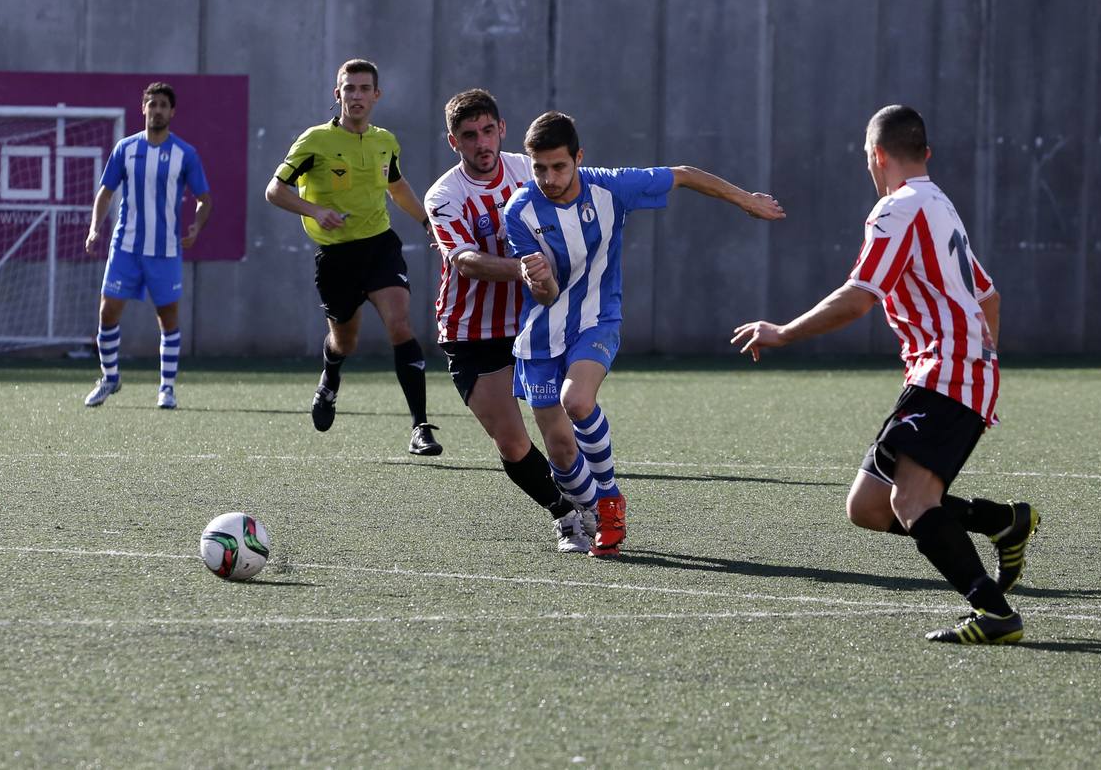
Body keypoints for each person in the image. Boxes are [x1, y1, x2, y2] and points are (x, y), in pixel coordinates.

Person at [731, 104, 1040, 645]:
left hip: (947, 371)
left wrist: (781, 332)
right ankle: (999, 521)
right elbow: (989, 296)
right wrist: (982, 360)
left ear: (877, 156)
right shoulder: (940, 205)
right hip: (951, 370)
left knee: (910, 502)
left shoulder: (896, 209)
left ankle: (994, 612)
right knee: (869, 506)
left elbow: (857, 299)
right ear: (926, 154)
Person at [506, 110, 785, 556]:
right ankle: (593, 508)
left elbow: (684, 174)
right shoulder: (520, 210)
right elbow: (546, 295)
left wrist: (745, 200)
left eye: (559, 166)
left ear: (579, 157)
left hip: (598, 319)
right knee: (559, 453)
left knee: (576, 400)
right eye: (539, 168)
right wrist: (538, 279)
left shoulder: (612, 186)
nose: (550, 177)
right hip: (542, 333)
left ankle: (611, 499)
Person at [424, 90, 588, 552]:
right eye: (469, 135)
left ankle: (590, 505)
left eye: (488, 130)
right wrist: (524, 268)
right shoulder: (444, 195)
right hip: (470, 331)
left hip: (532, 321)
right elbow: (465, 261)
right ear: (453, 142)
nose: (482, 142)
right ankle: (564, 515)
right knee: (512, 442)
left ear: (502, 128)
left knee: (561, 429)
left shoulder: (530, 168)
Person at [265, 58, 441, 456]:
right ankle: (330, 378)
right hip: (336, 258)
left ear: (376, 95)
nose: (357, 96)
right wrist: (315, 211)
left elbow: (396, 187)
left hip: (380, 247)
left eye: (365, 89)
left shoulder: (385, 141)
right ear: (337, 93)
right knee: (345, 342)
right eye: (350, 88)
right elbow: (274, 191)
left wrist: (429, 223)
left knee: (400, 324)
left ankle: (420, 427)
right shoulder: (315, 141)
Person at [83, 82, 212, 410]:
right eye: (151, 104)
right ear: (143, 109)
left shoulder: (185, 154)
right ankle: (110, 378)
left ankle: (166, 388)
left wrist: (197, 225)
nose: (157, 110)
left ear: (172, 112)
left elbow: (204, 199)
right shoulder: (125, 149)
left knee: (168, 319)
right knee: (107, 312)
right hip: (125, 246)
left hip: (165, 250)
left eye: (163, 105)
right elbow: (106, 192)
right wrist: (95, 226)